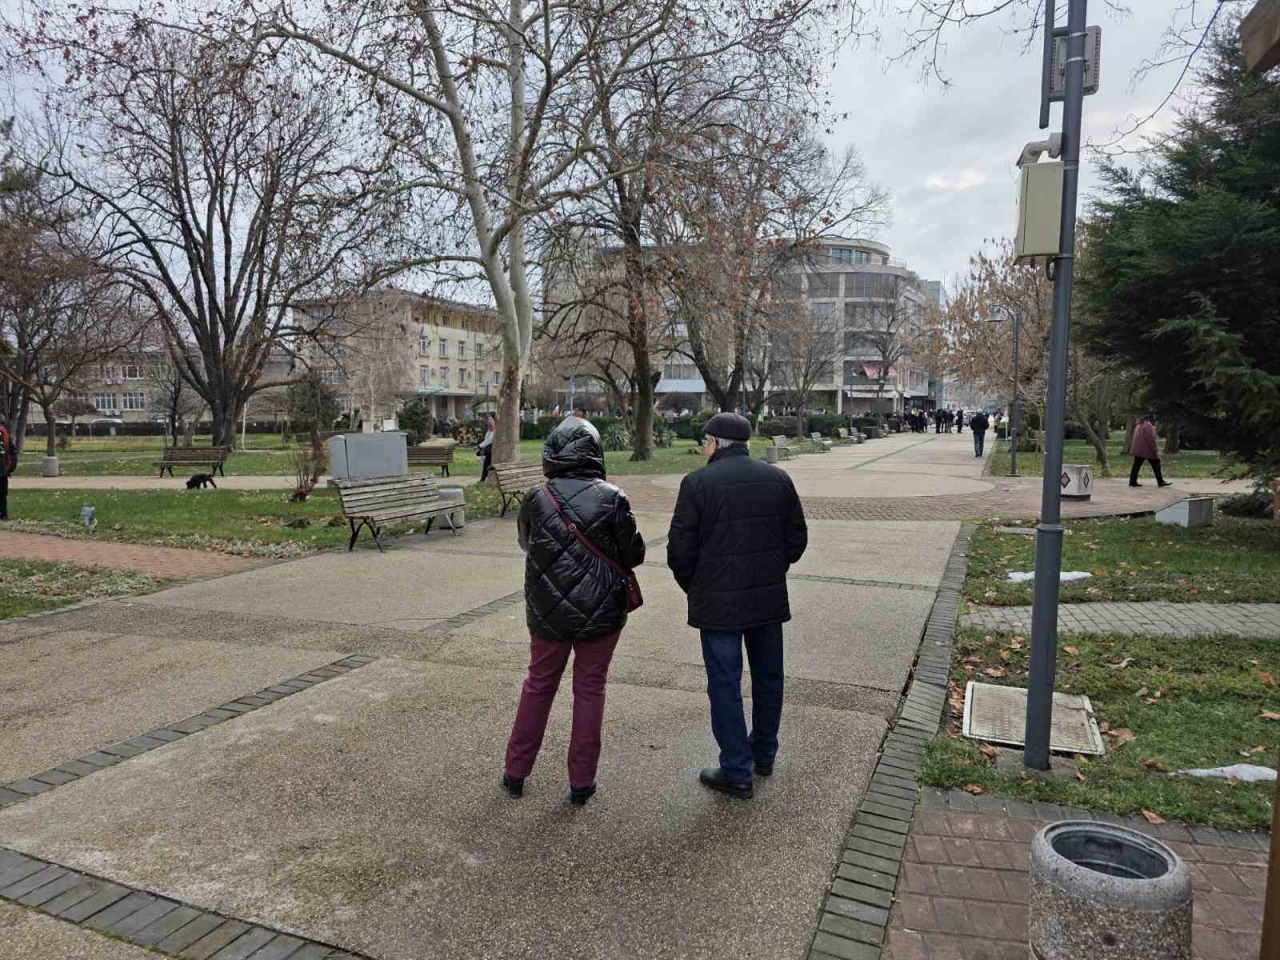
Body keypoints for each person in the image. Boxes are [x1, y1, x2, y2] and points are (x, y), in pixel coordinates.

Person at [503, 417, 646, 807]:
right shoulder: (612, 497)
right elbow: (634, 554)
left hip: (548, 610)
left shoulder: (536, 497)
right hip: (601, 610)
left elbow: (526, 542)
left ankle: (516, 772)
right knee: (590, 689)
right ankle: (581, 782)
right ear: (594, 452)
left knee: (538, 685)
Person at [667, 412, 808, 800]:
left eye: (705, 441)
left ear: (714, 443)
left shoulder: (697, 483)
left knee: (725, 684)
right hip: (766, 597)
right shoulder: (778, 479)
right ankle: (763, 753)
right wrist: (773, 568)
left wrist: (696, 586)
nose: (704, 447)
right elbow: (797, 538)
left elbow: (679, 551)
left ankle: (736, 769)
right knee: (769, 677)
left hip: (718, 604)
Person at [1129, 414, 1172, 488]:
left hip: (1138, 448)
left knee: (1136, 465)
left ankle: (1132, 481)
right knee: (1156, 464)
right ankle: (1160, 481)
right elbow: (1150, 439)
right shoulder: (1148, 425)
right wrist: (1154, 449)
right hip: (1146, 449)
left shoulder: (1139, 424)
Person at [0, 413, 14, 520]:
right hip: (3, 469)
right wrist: (10, 468)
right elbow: (12, 452)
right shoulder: (5, 434)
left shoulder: (5, 434)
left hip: (3, 468)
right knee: (2, 494)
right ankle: (3, 514)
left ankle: (3, 514)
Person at [476, 414, 496, 482]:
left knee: (486, 464)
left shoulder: (494, 431)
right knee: (486, 463)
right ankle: (483, 478)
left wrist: (479, 446)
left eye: (491, 419)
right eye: (488, 420)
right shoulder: (489, 431)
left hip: (491, 450)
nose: (489, 422)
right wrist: (479, 446)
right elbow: (486, 440)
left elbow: (489, 440)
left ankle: (483, 479)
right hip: (487, 450)